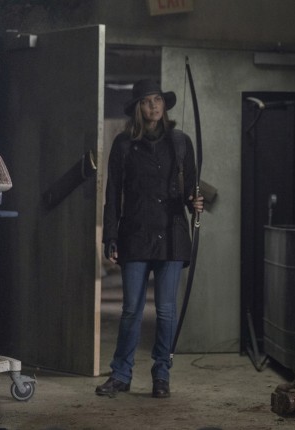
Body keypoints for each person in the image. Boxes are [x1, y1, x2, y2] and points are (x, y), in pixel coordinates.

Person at [97, 79, 204, 398]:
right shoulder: (124, 144)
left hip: (171, 235)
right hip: (135, 234)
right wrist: (110, 236)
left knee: (166, 311)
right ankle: (121, 374)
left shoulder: (180, 142)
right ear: (137, 108)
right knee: (131, 309)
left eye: (157, 99)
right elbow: (113, 193)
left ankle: (161, 375)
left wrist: (195, 202)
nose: (154, 105)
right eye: (146, 101)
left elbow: (191, 188)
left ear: (164, 104)